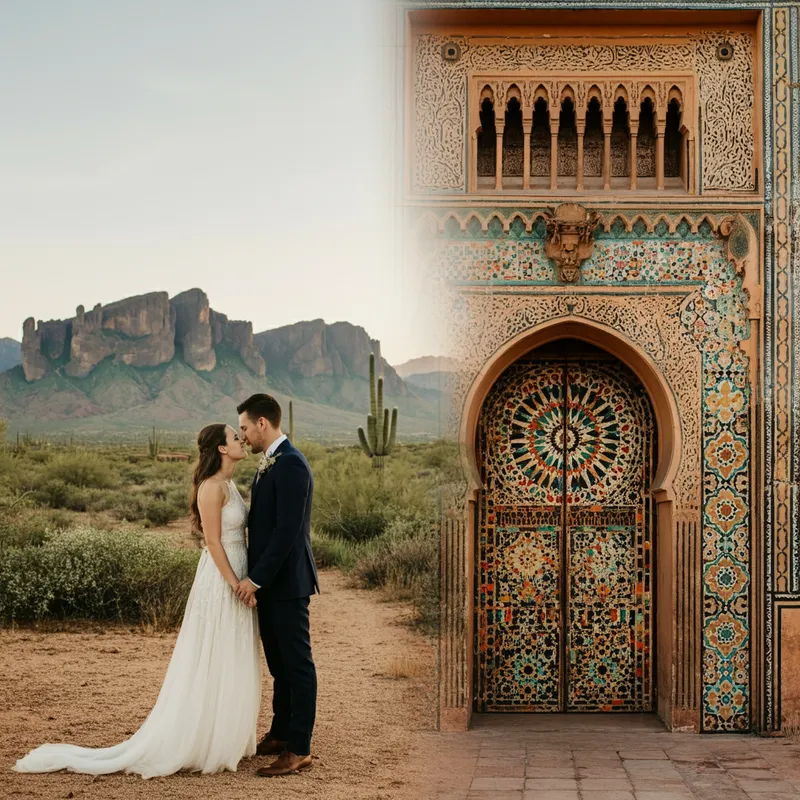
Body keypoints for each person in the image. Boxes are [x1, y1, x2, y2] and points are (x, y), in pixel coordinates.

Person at [13, 424, 261, 778]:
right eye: (235, 437)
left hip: (236, 571)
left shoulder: (229, 484)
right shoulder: (210, 487)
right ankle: (202, 741)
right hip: (222, 578)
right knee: (213, 652)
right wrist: (235, 583)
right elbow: (213, 542)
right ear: (221, 449)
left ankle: (225, 735)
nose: (241, 440)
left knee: (231, 651)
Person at [236, 393, 320, 777]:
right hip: (271, 584)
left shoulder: (291, 464)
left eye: (244, 428)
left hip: (286, 582)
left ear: (262, 424)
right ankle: (281, 731)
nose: (243, 436)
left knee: (297, 665)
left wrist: (255, 579)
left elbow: (287, 531)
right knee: (279, 664)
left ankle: (299, 748)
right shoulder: (271, 463)